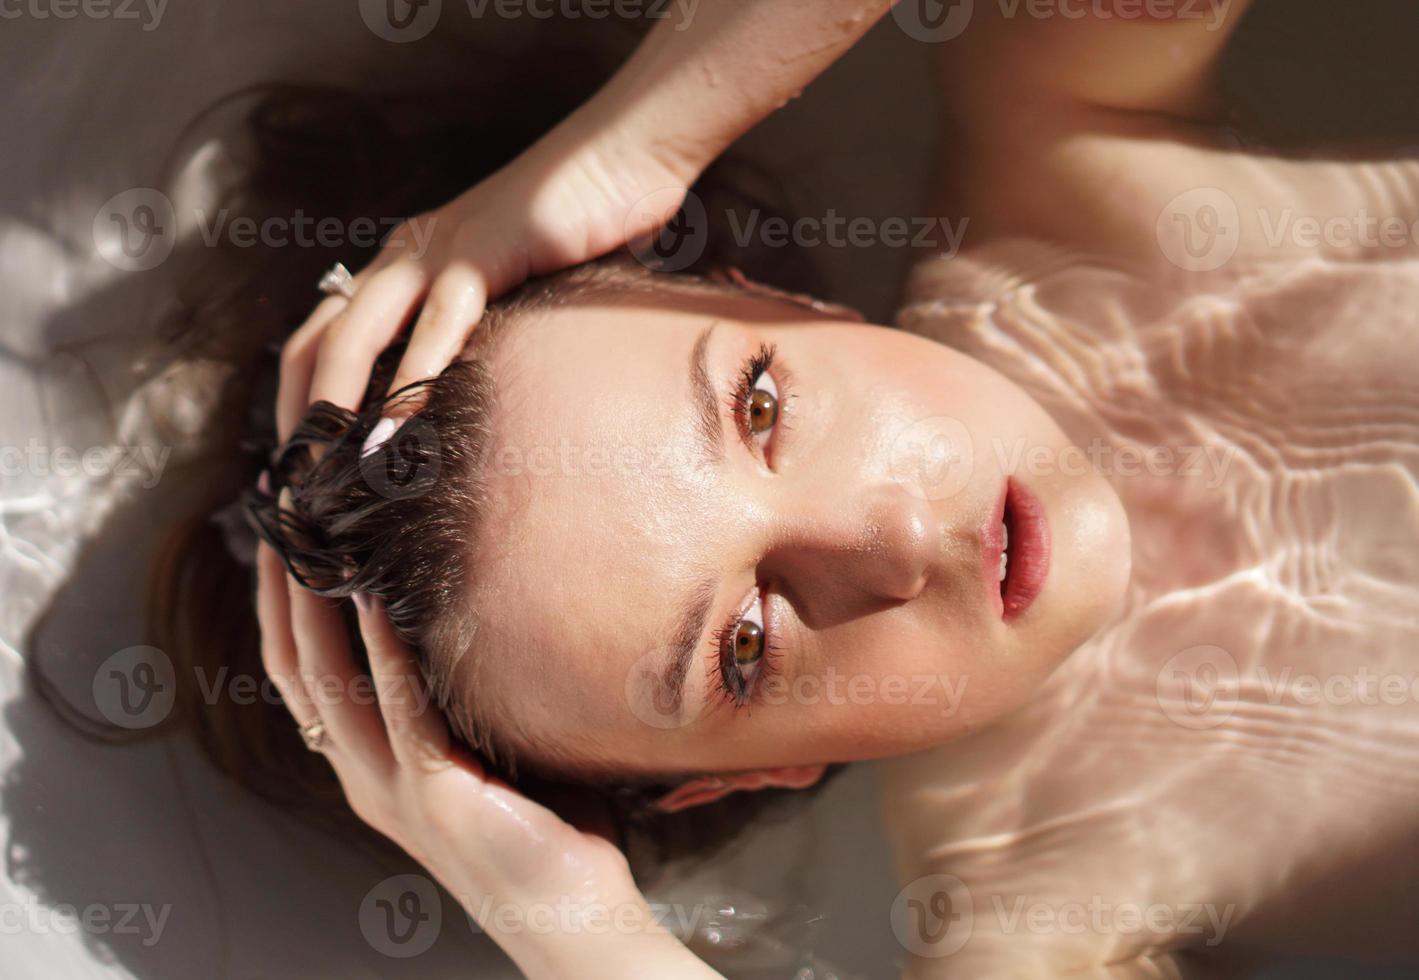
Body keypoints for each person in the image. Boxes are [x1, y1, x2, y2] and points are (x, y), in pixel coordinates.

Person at [186, 0, 1419, 975]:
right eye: (741, 646)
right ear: (750, 775)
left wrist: (644, 135)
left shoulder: (1069, 138)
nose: (891, 537)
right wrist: (578, 933)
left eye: (760, 403)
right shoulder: (1035, 891)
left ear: (771, 296)